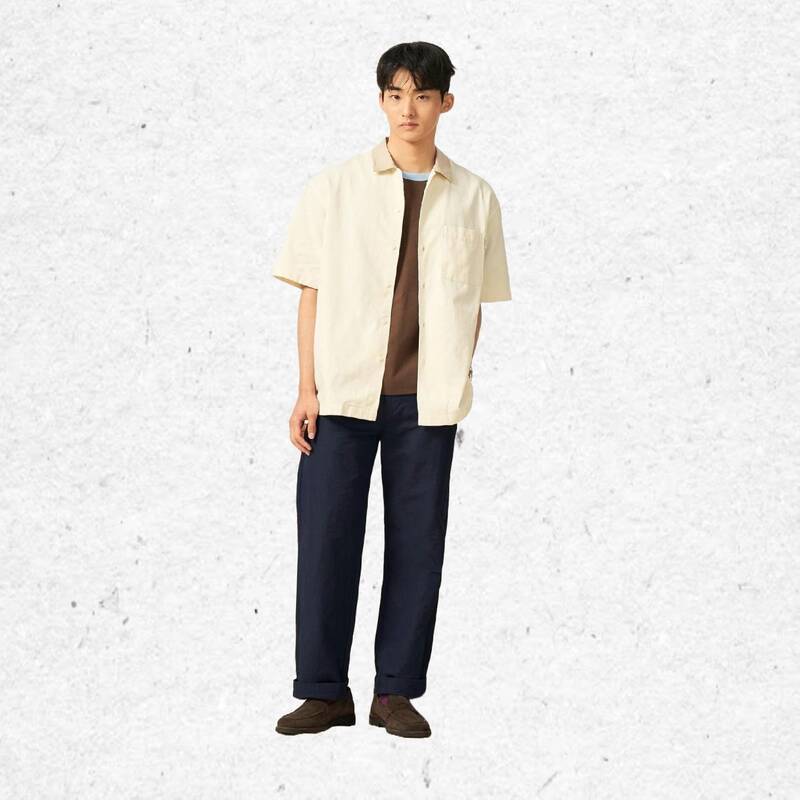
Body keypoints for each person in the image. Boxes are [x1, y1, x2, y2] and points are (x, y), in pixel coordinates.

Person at [272, 41, 512, 738]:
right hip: (341, 396)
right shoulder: (335, 187)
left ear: (446, 103)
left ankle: (394, 693)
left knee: (418, 549)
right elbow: (311, 292)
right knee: (326, 543)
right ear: (381, 100)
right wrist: (306, 388)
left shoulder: (476, 197)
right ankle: (324, 693)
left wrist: (457, 376)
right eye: (397, 94)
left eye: (423, 96)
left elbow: (475, 304)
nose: (409, 109)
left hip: (425, 404)